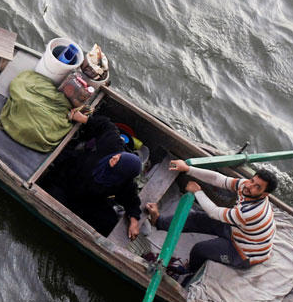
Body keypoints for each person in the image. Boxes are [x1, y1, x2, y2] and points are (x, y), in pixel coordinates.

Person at [146, 160, 278, 276]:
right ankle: (159, 221)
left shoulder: (249, 213)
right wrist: (188, 169)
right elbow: (218, 179)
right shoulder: (246, 185)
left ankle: (189, 270)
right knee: (196, 218)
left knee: (200, 249)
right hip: (238, 231)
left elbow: (214, 213)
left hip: (243, 252)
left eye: (257, 187)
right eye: (252, 180)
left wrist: (197, 191)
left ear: (264, 194)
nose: (250, 186)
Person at [42, 108, 143, 239]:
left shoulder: (123, 183)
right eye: (118, 156)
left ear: (122, 173)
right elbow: (106, 126)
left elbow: (132, 201)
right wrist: (83, 118)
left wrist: (134, 221)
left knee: (109, 223)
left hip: (87, 200)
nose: (114, 158)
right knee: (48, 195)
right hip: (65, 180)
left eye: (118, 161)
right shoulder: (113, 146)